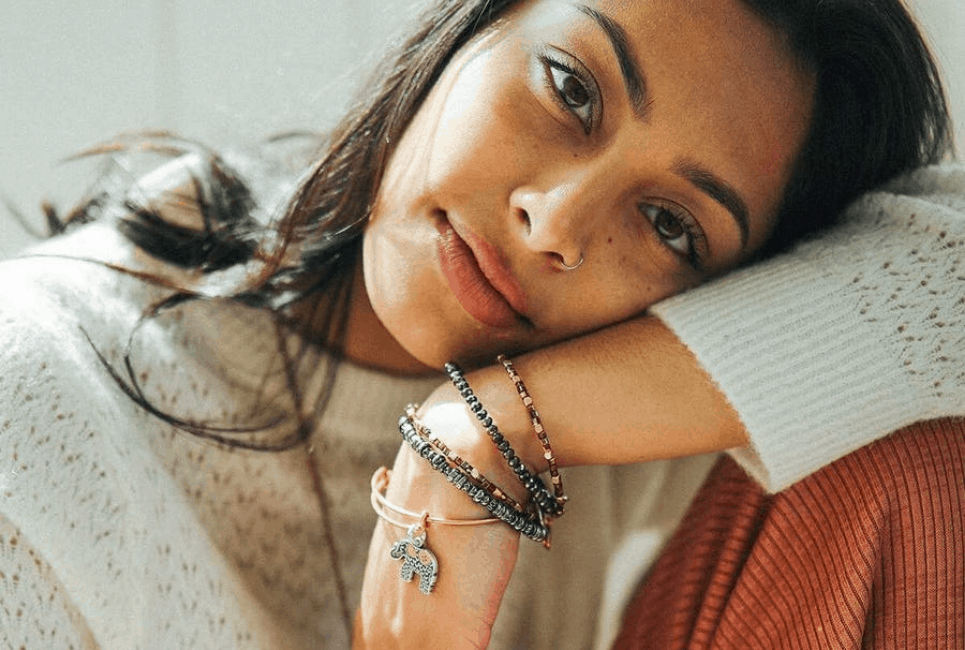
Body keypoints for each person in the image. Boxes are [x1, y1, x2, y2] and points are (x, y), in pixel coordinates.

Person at [0, 2, 960, 650]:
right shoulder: (37, 412)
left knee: (912, 463)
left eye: (670, 225)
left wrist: (480, 431)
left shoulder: (612, 372)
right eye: (569, 89)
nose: (556, 220)